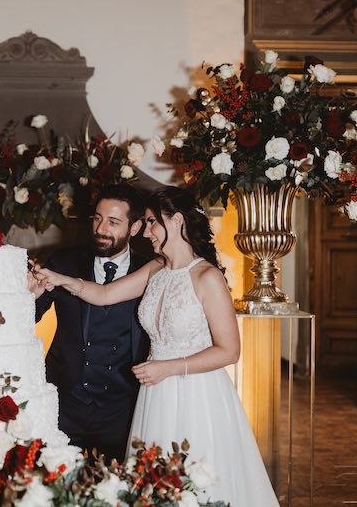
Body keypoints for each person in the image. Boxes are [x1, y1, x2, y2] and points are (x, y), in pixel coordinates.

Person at [35, 186, 279, 507]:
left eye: (152, 223)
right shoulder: (156, 269)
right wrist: (60, 279)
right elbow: (105, 295)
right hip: (155, 394)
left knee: (194, 480)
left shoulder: (207, 277)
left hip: (194, 392)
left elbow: (229, 351)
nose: (146, 232)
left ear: (176, 221)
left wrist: (168, 367)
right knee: (152, 481)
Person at [30, 184, 151, 463]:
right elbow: (30, 317)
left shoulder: (149, 271)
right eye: (97, 218)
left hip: (122, 407)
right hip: (65, 401)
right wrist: (29, 295)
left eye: (113, 222)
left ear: (135, 228)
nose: (101, 229)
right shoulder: (64, 262)